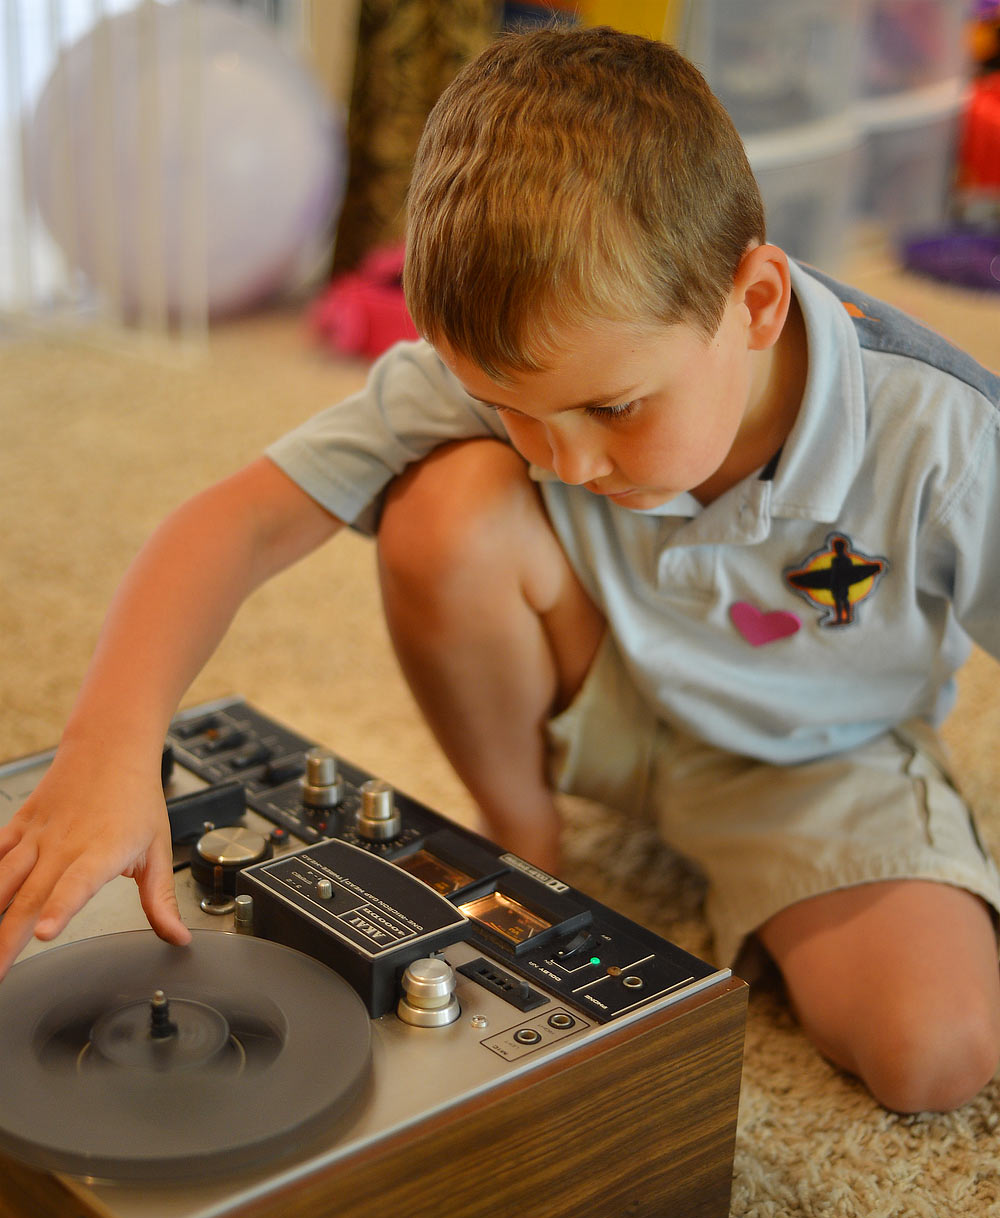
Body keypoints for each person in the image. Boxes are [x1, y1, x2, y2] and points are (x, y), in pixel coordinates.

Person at [2, 26, 999, 1115]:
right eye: (511, 408)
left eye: (613, 407)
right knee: (445, 507)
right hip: (593, 688)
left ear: (754, 303)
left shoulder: (946, 430)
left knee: (934, 1053)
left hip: (819, 759)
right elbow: (235, 523)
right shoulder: (523, 356)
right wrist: (107, 749)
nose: (564, 460)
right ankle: (519, 835)